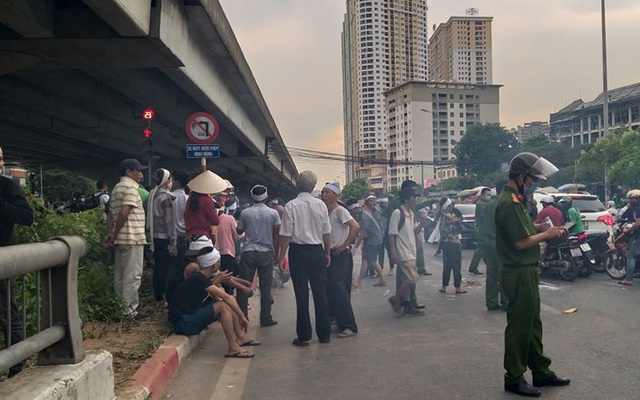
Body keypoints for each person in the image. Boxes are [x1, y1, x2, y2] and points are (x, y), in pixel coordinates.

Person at [495, 152, 570, 397]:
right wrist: (547, 235)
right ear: (521, 176)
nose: (533, 184)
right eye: (532, 179)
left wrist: (541, 228)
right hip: (517, 271)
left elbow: (526, 230)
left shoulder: (516, 199)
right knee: (519, 326)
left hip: (526, 270)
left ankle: (540, 370)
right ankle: (514, 377)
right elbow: (520, 242)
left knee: (532, 324)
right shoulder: (509, 203)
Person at [169, 243, 259, 359]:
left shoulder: (203, 274)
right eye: (219, 261)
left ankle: (240, 338)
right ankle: (233, 347)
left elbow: (226, 278)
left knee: (227, 303)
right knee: (223, 305)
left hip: (189, 316)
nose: (220, 263)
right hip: (183, 323)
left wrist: (242, 284)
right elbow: (227, 297)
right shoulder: (199, 278)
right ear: (214, 263)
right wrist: (242, 316)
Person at [278, 171, 332, 346]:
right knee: (320, 293)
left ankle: (304, 335)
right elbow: (326, 232)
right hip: (317, 251)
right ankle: (324, 335)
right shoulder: (321, 205)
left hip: (298, 252)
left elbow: (286, 234)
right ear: (313, 187)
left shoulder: (291, 206)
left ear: (297, 185)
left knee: (301, 294)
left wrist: (281, 256)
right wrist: (327, 252)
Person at [0, 146, 34, 377]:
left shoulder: (7, 185)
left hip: (3, 259)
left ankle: (16, 367)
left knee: (6, 312)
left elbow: (26, 217)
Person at [105, 158, 148, 319]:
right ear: (129, 172)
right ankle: (129, 311)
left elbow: (110, 215)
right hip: (132, 238)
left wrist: (112, 234)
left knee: (121, 275)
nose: (140, 174)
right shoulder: (130, 188)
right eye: (137, 170)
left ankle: (120, 308)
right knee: (133, 276)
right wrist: (115, 234)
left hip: (121, 240)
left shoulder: (116, 188)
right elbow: (124, 212)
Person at [236, 185, 281, 328]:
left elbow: (239, 230)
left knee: (243, 286)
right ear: (267, 197)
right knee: (266, 288)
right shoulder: (273, 213)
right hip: (266, 252)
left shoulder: (245, 213)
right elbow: (276, 235)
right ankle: (265, 318)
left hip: (248, 252)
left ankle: (243, 318)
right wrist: (276, 252)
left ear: (252, 197)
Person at [321, 182, 359, 338]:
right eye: (323, 192)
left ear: (336, 195)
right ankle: (336, 318)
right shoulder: (324, 212)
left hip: (339, 255)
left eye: (328, 192)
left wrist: (344, 245)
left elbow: (355, 226)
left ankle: (349, 326)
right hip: (328, 254)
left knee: (339, 289)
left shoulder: (340, 211)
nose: (324, 195)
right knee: (331, 289)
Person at [387, 186, 424, 316]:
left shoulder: (411, 213)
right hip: (403, 251)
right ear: (407, 198)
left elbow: (415, 231)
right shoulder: (397, 213)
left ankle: (407, 305)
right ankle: (396, 298)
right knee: (413, 277)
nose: (415, 199)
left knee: (407, 278)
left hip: (411, 250)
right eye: (414, 197)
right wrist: (393, 251)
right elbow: (392, 234)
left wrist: (423, 222)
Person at [146, 168, 177, 302]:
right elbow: (169, 222)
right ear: (167, 181)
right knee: (166, 268)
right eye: (170, 179)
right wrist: (173, 242)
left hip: (154, 236)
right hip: (164, 237)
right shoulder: (165, 198)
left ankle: (158, 294)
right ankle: (164, 294)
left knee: (158, 266)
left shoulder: (152, 195)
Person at [349, 200, 387, 289]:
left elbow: (362, 234)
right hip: (374, 239)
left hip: (373, 240)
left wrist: (355, 248)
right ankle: (382, 279)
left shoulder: (364, 217)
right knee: (371, 260)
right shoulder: (363, 214)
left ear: (355, 209)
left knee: (367, 261)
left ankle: (359, 282)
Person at [484, 181, 508, 311]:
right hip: (500, 243)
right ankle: (505, 302)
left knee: (491, 274)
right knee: (504, 274)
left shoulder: (488, 205)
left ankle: (491, 302)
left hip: (488, 242)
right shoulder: (505, 205)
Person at [184, 170, 226, 243]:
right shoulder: (206, 200)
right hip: (202, 236)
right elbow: (216, 221)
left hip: (188, 236)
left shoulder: (190, 199)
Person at [438, 199, 466, 295]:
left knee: (447, 266)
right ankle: (458, 287)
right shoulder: (450, 217)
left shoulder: (441, 215)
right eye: (450, 205)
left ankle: (444, 286)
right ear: (447, 207)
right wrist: (458, 221)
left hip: (445, 244)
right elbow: (459, 228)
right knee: (456, 266)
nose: (452, 207)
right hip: (453, 243)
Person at [216, 198, 242, 294]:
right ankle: (229, 296)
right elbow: (237, 236)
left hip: (218, 252)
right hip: (228, 251)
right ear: (234, 210)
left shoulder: (219, 217)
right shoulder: (230, 219)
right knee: (230, 276)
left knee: (222, 276)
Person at [467, 188, 491, 275]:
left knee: (484, 248)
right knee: (481, 247)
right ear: (482, 195)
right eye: (488, 195)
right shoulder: (481, 204)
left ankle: (489, 265)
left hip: (482, 228)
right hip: (480, 228)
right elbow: (483, 217)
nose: (490, 197)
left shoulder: (484, 203)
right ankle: (473, 267)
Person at [619, 189, 640, 285]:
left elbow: (638, 224)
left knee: (630, 256)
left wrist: (629, 230)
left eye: (632, 199)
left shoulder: (638, 208)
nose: (631, 201)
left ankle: (628, 279)